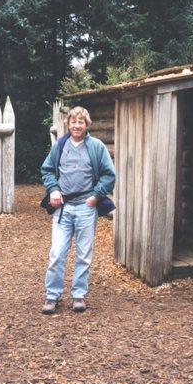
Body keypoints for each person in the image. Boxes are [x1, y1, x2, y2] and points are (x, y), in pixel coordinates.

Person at [41, 106, 115, 314]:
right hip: (62, 208)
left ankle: (78, 295)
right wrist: (54, 190)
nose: (76, 125)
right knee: (57, 253)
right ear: (69, 124)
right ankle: (52, 296)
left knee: (84, 254)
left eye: (80, 122)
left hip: (86, 208)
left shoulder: (96, 147)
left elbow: (109, 175)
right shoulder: (60, 146)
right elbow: (47, 170)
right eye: (73, 122)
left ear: (86, 124)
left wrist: (95, 196)